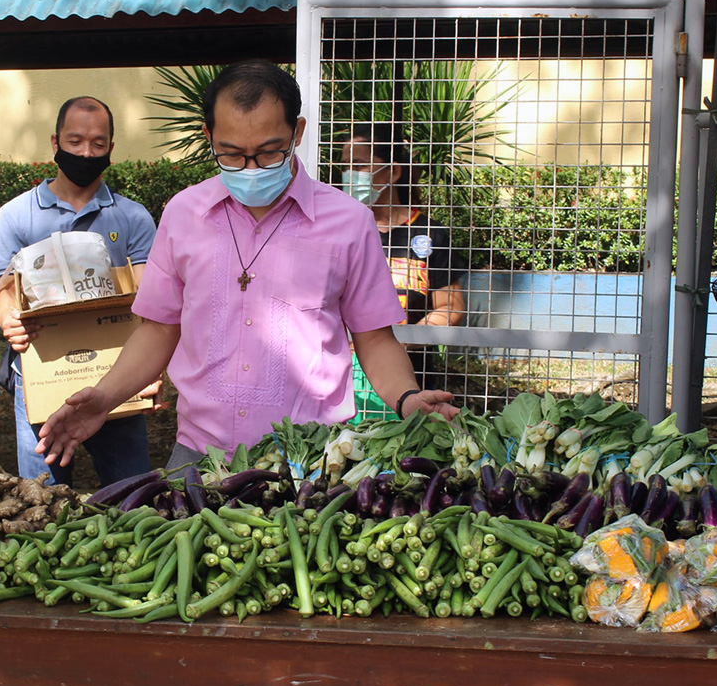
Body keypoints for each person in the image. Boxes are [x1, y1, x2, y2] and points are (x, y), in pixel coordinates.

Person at [36, 60, 458, 481]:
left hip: (310, 460)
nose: (252, 167)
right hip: (198, 457)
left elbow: (375, 338)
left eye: (270, 151)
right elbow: (158, 329)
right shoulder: (184, 214)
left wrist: (405, 398)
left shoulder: (349, 222)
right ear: (209, 137)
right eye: (233, 154)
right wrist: (106, 397)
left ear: (297, 133)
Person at [0, 96, 158, 486]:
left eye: (98, 144)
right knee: (42, 501)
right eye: (75, 141)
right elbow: (4, 289)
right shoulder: (17, 215)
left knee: (131, 496)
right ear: (55, 142)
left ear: (111, 149)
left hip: (116, 379)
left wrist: (150, 368)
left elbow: (148, 302)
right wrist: (8, 321)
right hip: (42, 376)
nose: (87, 152)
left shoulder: (132, 218)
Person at [341, 122, 469, 394]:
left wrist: (399, 342)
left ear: (393, 171)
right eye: (345, 166)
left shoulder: (430, 234)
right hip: (342, 378)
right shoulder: (340, 231)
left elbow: (450, 307)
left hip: (410, 379)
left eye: (360, 165)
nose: (350, 175)